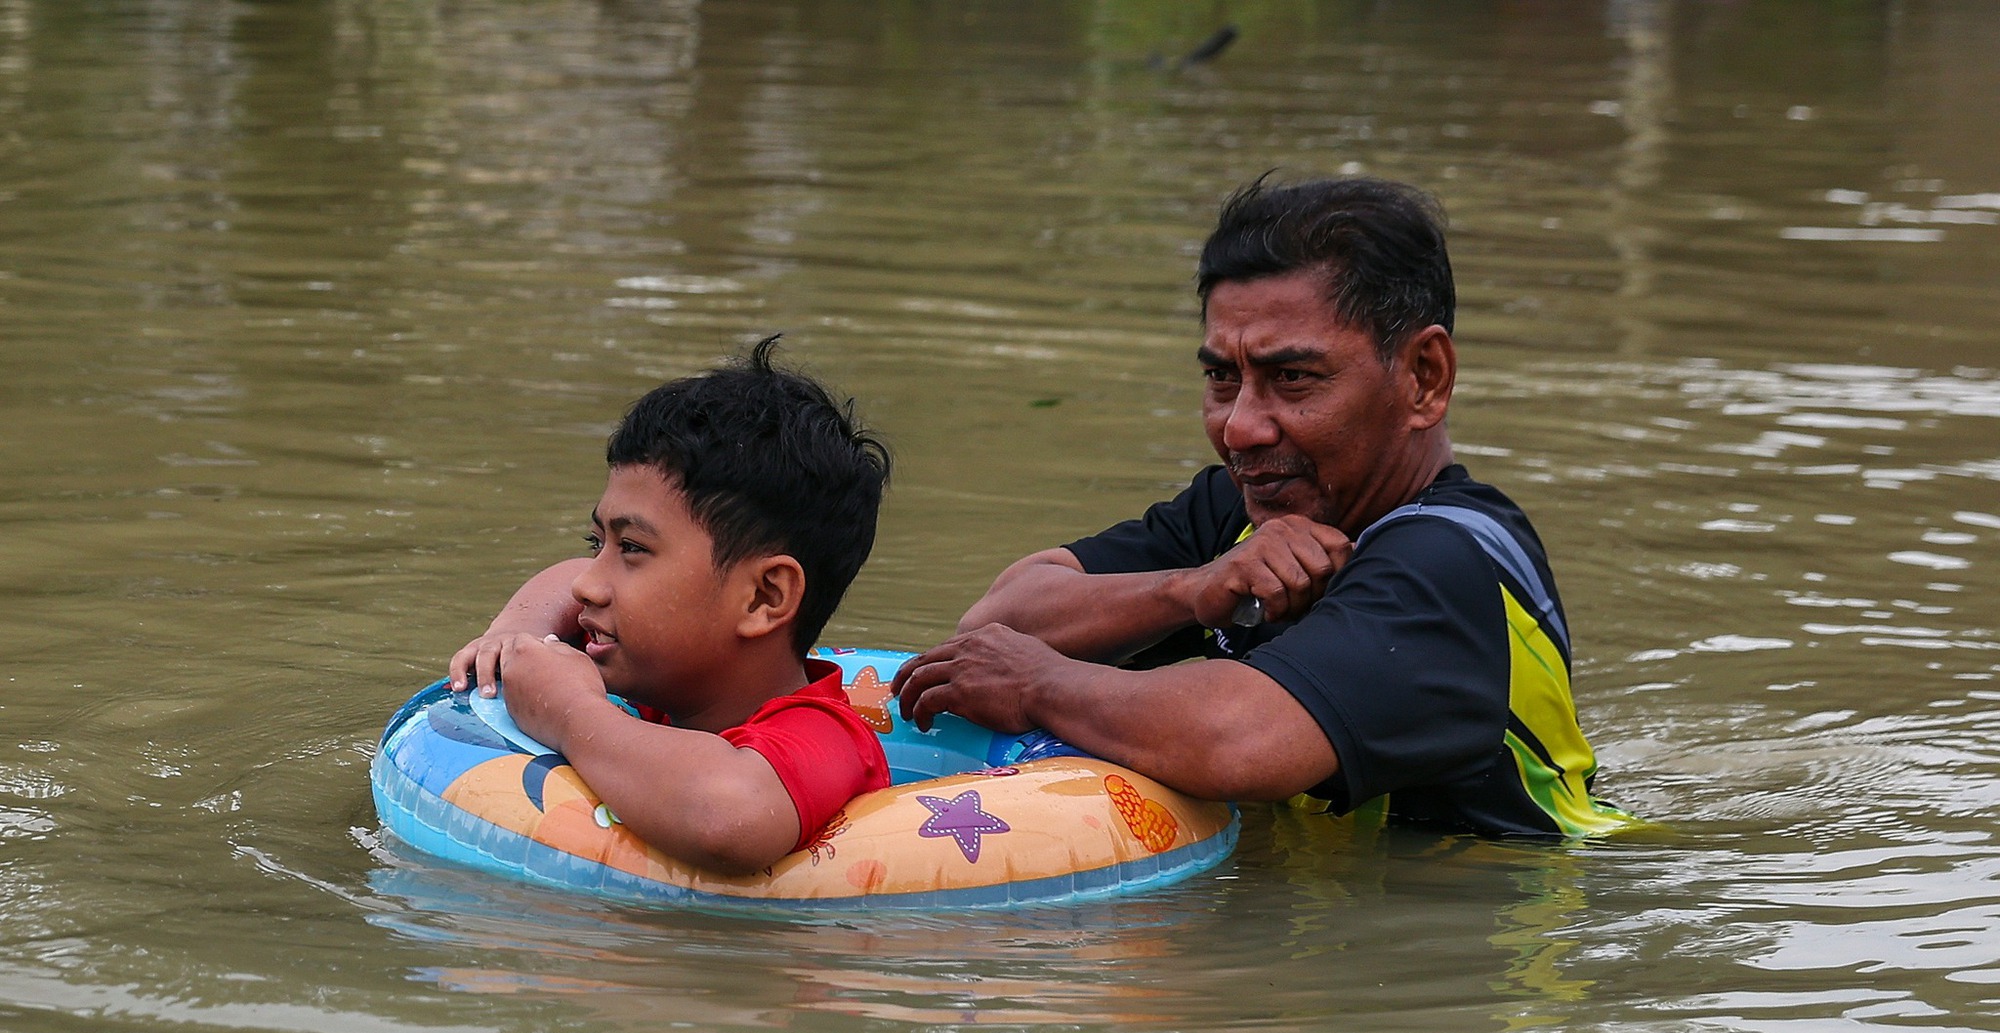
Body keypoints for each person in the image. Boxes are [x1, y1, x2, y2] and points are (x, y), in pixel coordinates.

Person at [893, 176, 1631, 838]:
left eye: (1295, 377)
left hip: (1497, 955)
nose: (1241, 427)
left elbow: (1238, 742)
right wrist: (1190, 588)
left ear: (1424, 378)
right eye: (1222, 376)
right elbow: (993, 622)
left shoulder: (1448, 562)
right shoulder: (1243, 516)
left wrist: (1041, 684)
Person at [447, 336, 893, 874]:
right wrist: (512, 633)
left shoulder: (825, 734)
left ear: (763, 597)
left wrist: (571, 713)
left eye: (632, 548)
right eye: (598, 544)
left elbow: (727, 819)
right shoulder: (665, 692)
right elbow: (564, 579)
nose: (588, 585)